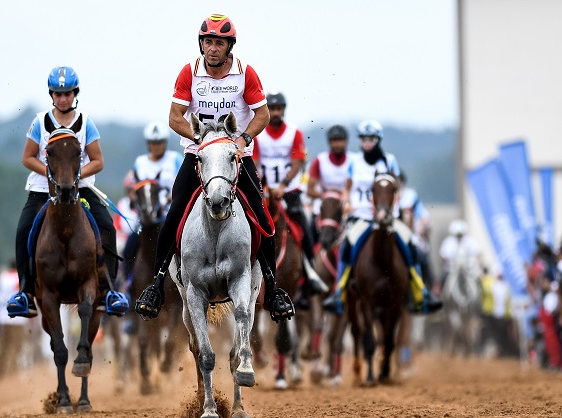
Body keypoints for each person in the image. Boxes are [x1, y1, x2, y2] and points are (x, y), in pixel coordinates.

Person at [134, 14, 294, 323]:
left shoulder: (245, 73)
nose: (212, 48)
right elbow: (175, 117)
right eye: (208, 42)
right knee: (175, 212)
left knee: (262, 217)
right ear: (201, 44)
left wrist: (244, 139)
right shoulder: (189, 73)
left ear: (229, 45)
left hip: (236, 158)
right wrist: (201, 140)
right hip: (199, 156)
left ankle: (273, 289)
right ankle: (155, 285)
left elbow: (261, 115)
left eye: (219, 42)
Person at [7, 66, 128, 318]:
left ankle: (109, 291)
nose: (63, 99)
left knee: (107, 227)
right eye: (58, 94)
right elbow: (28, 158)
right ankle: (25, 294)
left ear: (75, 94)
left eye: (68, 94)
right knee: (22, 231)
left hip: (80, 190)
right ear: (51, 95)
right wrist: (52, 176)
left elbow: (97, 161)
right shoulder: (40, 122)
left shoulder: (85, 122)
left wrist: (72, 178)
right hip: (42, 191)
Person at [324, 120, 442, 314]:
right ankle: (339, 292)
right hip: (361, 216)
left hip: (388, 217)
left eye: (371, 139)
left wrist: (391, 209)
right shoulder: (354, 161)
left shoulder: (389, 160)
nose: (367, 143)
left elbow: (397, 189)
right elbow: (347, 188)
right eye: (363, 139)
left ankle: (421, 291)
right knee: (347, 245)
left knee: (410, 245)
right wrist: (346, 202)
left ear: (378, 140)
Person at [254, 91, 328, 302]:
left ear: (284, 110)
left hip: (290, 192)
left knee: (304, 227)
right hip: (265, 191)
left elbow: (297, 163)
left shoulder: (294, 133)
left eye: (279, 109)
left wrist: (284, 185)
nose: (276, 113)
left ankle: (310, 272)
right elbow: (256, 163)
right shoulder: (259, 134)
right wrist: (263, 185)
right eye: (273, 109)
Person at [120, 122, 183, 286]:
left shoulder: (175, 159)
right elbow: (132, 186)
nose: (157, 146)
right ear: (148, 144)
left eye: (160, 142)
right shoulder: (140, 162)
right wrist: (134, 197)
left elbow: (184, 183)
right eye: (153, 143)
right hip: (146, 217)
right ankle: (127, 284)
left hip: (171, 215)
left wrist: (171, 198)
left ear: (165, 143)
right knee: (129, 246)